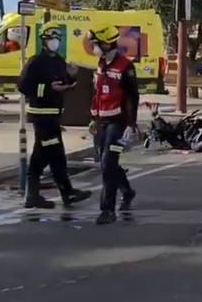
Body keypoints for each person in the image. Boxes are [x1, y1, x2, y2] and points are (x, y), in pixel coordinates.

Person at [17, 25, 92, 209]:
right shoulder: (36, 62)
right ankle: (65, 193)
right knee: (54, 155)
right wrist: (49, 88)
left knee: (43, 156)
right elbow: (23, 86)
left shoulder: (59, 61)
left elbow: (63, 81)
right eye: (52, 39)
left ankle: (35, 196)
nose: (55, 42)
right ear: (44, 41)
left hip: (55, 115)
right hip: (41, 116)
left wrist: (72, 78)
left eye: (57, 39)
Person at [88, 25, 140, 225]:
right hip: (101, 122)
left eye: (96, 44)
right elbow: (98, 93)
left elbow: (132, 97)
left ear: (107, 43)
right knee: (105, 162)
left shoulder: (126, 67)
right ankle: (127, 191)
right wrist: (93, 118)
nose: (94, 47)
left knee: (108, 164)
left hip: (118, 124)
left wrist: (131, 124)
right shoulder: (101, 64)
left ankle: (107, 210)